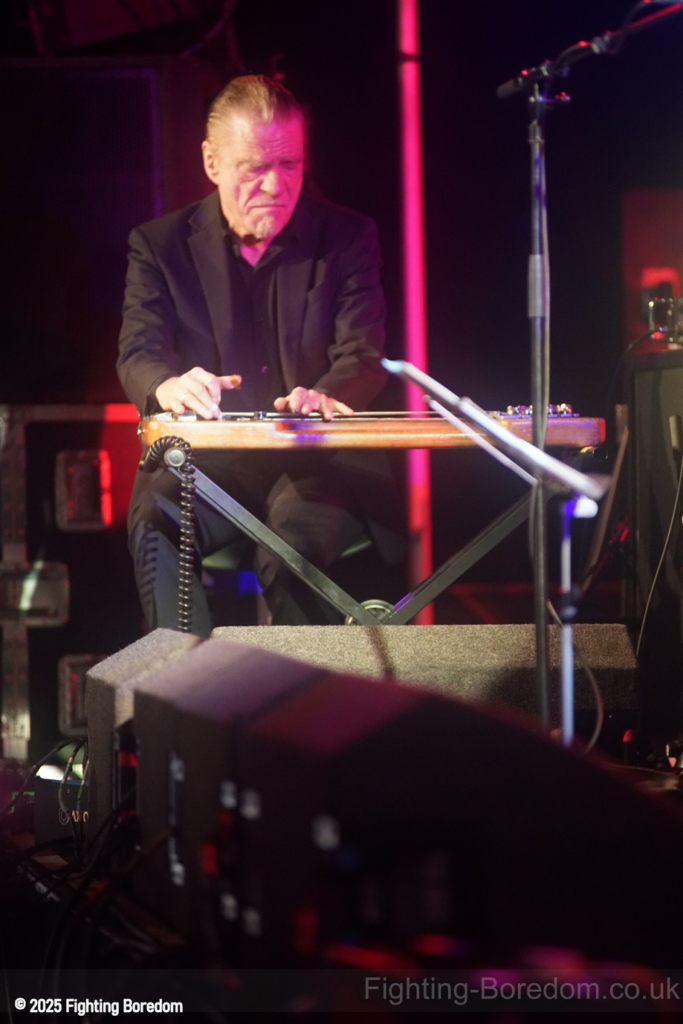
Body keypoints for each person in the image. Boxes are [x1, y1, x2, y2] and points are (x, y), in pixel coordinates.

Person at [117, 74, 400, 637]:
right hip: (213, 461)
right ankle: (187, 685)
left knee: (287, 556)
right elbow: (139, 350)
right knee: (154, 519)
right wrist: (168, 386)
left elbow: (363, 353)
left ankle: (303, 695)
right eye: (255, 167)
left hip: (318, 462)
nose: (275, 184)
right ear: (212, 161)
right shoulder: (159, 245)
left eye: (290, 164)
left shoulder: (348, 237)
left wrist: (326, 395)